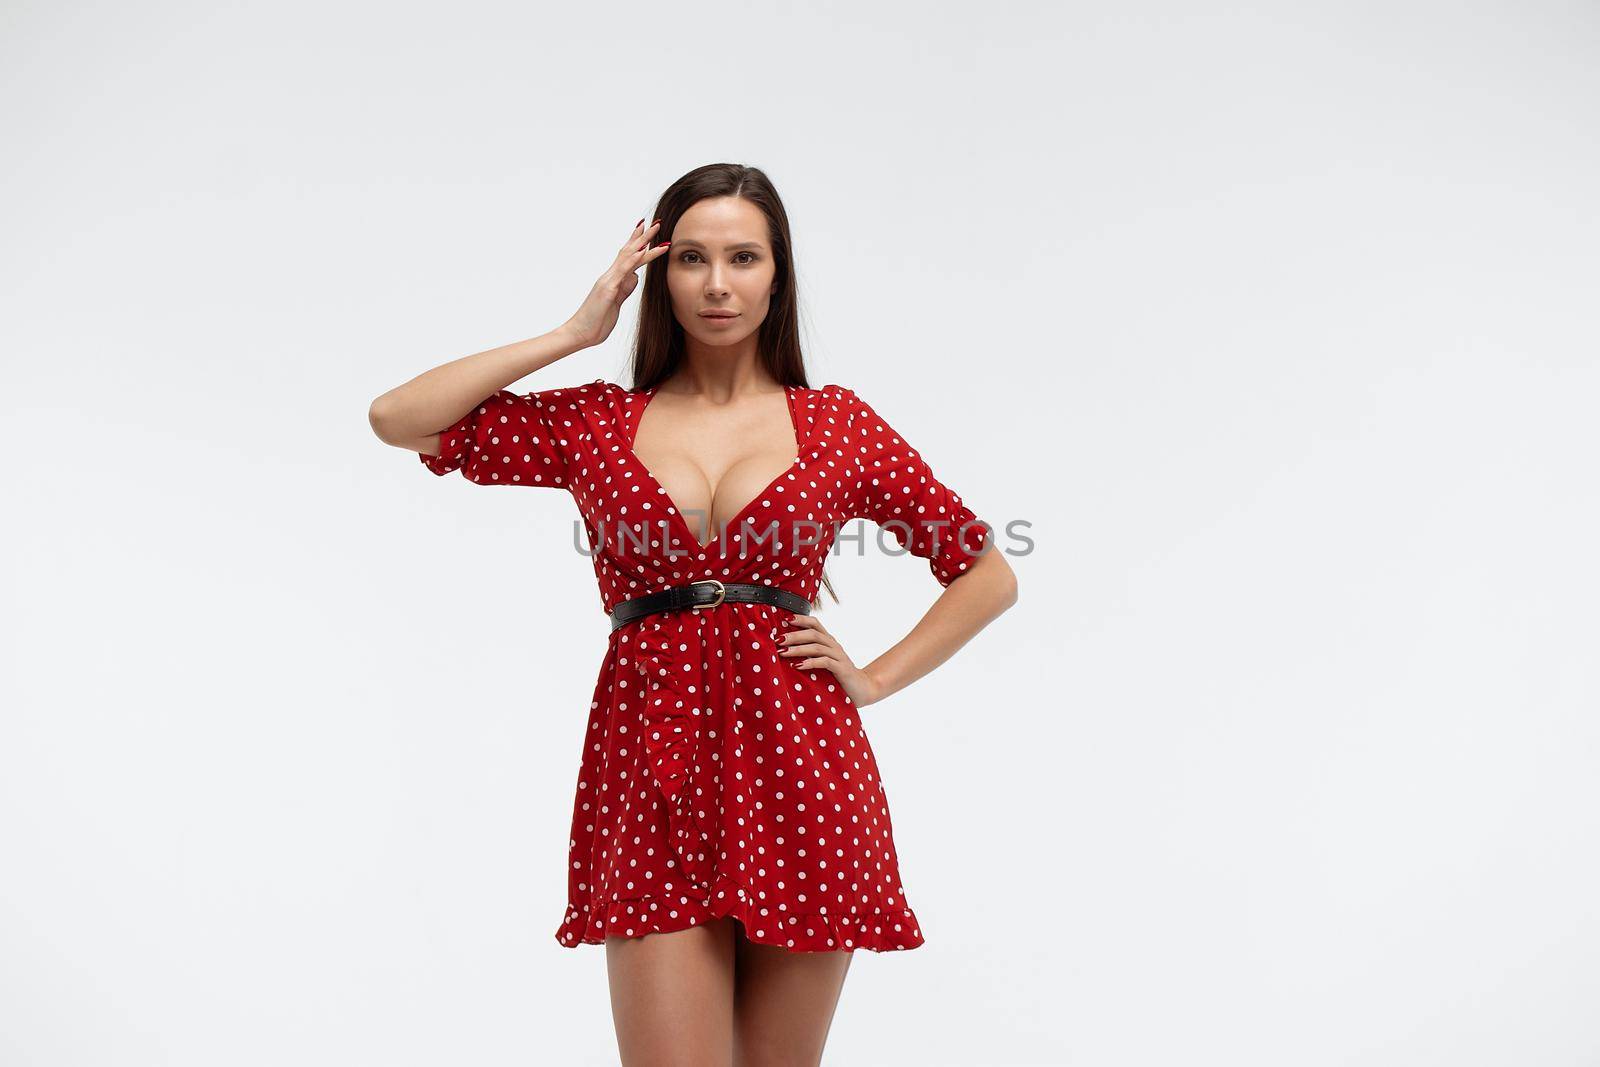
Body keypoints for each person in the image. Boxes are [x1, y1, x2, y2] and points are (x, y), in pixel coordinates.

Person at [368, 163, 1018, 1066]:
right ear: (658, 276)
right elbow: (400, 418)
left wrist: (872, 678)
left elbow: (985, 572)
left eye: (744, 257)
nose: (718, 283)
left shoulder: (837, 425)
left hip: (804, 772)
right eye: (693, 259)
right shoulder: (598, 422)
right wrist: (572, 330)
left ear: (777, 275)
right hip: (650, 773)